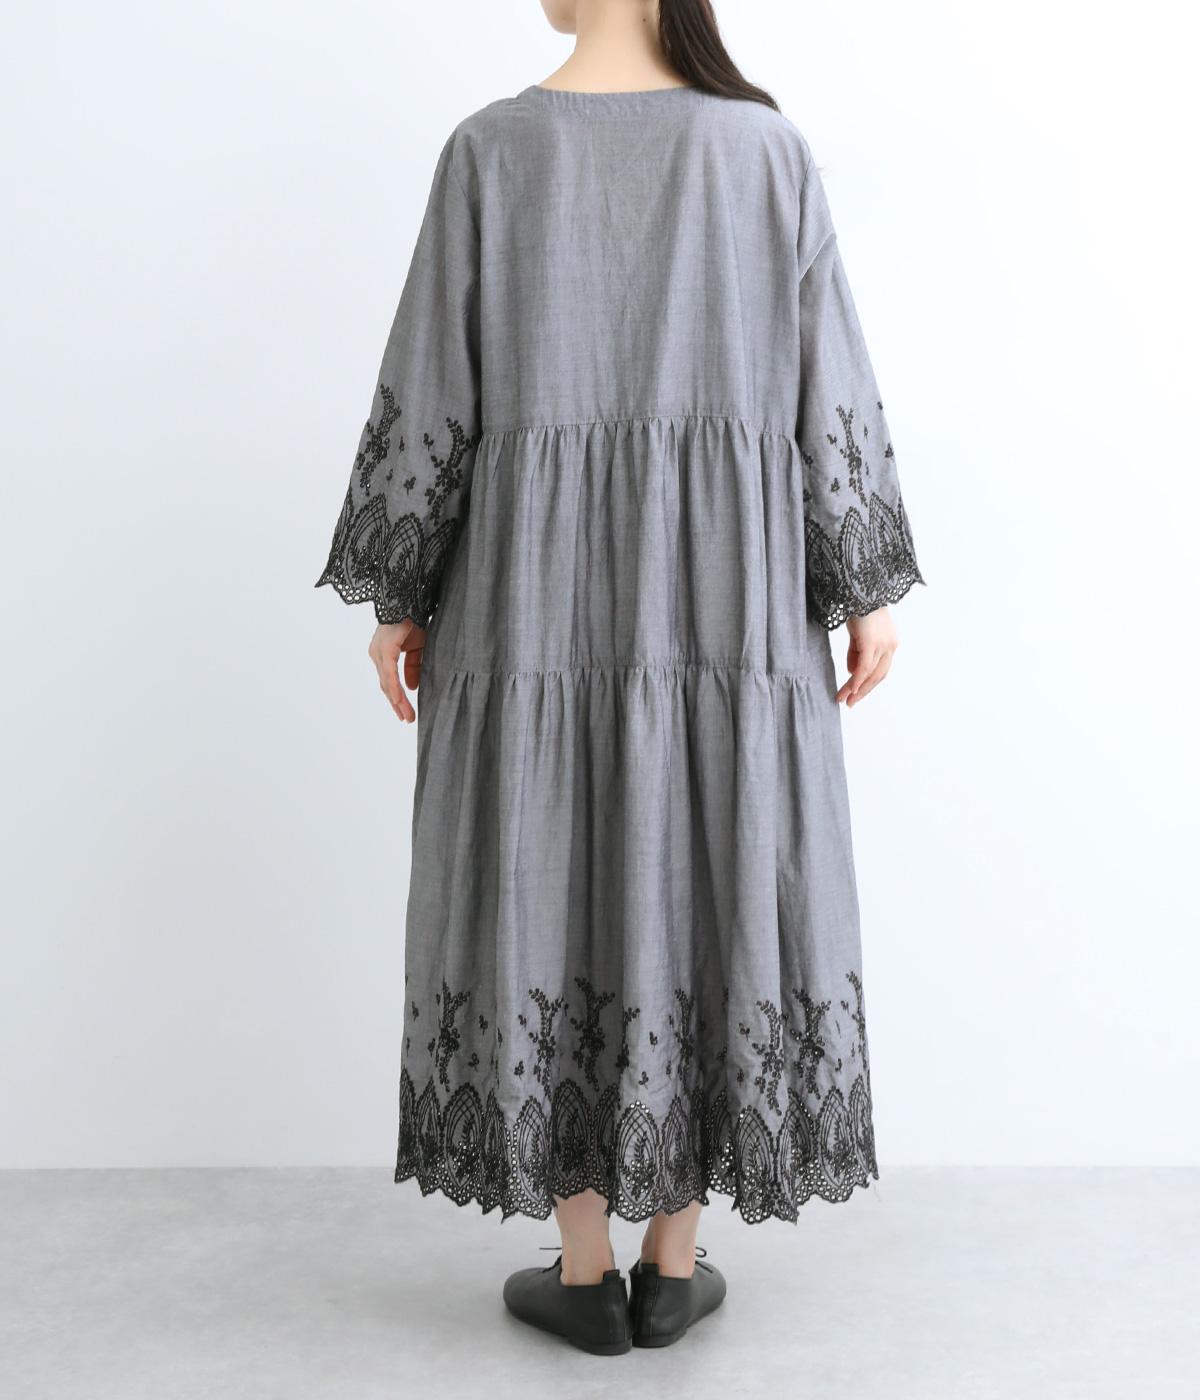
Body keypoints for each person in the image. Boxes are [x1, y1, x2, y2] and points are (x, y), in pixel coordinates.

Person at [314, 0, 923, 1356]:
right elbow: (829, 376)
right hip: (729, 601)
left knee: (552, 868)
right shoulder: (765, 152)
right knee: (709, 860)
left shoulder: (491, 150)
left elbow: (435, 383)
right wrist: (865, 583)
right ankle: (674, 1264)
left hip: (532, 597)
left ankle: (583, 1270)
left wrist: (400, 594)